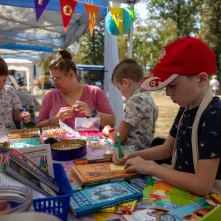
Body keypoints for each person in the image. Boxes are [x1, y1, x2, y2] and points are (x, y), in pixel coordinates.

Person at [112, 36, 221, 196]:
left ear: (201, 79)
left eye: (173, 85)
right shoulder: (185, 107)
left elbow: (202, 185)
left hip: (209, 201)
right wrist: (133, 155)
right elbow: (167, 148)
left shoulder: (214, 116)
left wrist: (151, 167)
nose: (168, 92)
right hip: (183, 192)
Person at [36, 50, 115, 129]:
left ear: (71, 74)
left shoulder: (94, 92)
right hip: (59, 142)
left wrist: (91, 113)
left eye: (57, 78)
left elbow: (112, 122)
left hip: (91, 141)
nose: (54, 83)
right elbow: (38, 126)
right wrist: (56, 119)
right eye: (52, 79)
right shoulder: (51, 96)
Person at [102, 59, 158, 150]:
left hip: (131, 154)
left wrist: (108, 131)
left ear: (126, 82)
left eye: (119, 88)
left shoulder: (135, 100)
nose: (120, 93)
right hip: (143, 154)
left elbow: (118, 138)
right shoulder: (148, 98)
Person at [0, 57, 30, 130]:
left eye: (4, 80)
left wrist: (23, 116)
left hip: (11, 135)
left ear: (7, 76)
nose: (1, 85)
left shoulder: (9, 90)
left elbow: (16, 115)